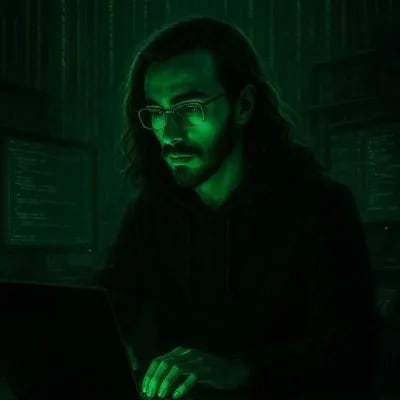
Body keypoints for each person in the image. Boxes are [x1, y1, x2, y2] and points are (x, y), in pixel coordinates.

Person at [94, 16, 379, 400]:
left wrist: (241, 369)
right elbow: (109, 305)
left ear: (243, 105)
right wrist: (106, 344)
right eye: (157, 113)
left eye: (189, 108)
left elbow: (353, 350)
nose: (170, 134)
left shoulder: (320, 207)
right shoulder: (149, 214)